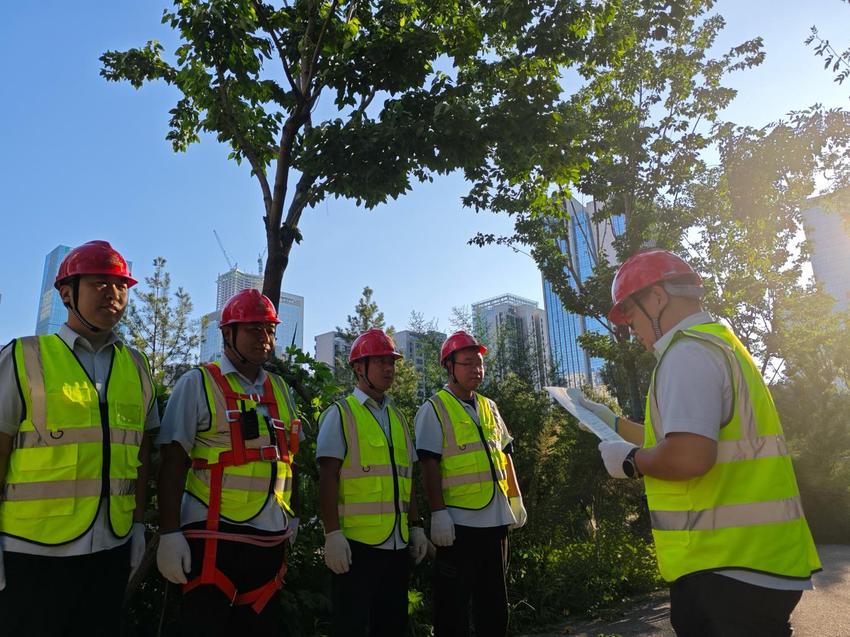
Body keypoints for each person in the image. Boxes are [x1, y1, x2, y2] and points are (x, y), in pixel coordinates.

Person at [578, 248, 821, 637]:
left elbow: (689, 455)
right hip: (757, 564)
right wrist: (612, 424)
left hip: (726, 570)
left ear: (658, 297)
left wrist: (631, 462)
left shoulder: (685, 353)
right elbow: (685, 437)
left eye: (631, 314)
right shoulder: (719, 344)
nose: (630, 327)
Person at [0, 240, 157, 636]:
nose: (113, 293)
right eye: (99, 283)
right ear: (66, 293)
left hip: (111, 550)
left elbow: (141, 453)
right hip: (31, 552)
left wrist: (138, 523)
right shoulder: (23, 356)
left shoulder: (136, 367)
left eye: (121, 285)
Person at [155, 288, 302, 635]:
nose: (264, 338)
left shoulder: (280, 389)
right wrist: (169, 532)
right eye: (253, 329)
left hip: (269, 539)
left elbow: (289, 459)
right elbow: (172, 462)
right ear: (227, 334)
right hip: (212, 537)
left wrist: (292, 515)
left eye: (269, 330)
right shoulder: (197, 384)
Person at [415, 330, 527, 637]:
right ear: (449, 367)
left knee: (494, 607)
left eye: (478, 363)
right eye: (467, 363)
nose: (476, 369)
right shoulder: (433, 409)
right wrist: (438, 513)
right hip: (458, 526)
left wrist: (516, 501)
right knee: (452, 611)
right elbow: (428, 464)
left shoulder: (490, 407)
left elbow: (505, 456)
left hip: (496, 523)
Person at [316, 328, 427, 637]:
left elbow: (408, 477)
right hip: (355, 547)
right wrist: (332, 534)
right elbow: (327, 477)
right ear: (358, 368)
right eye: (380, 362)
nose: (389, 369)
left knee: (392, 626)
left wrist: (416, 525)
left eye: (391, 362)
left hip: (397, 543)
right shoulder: (340, 414)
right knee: (351, 627)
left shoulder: (398, 418)